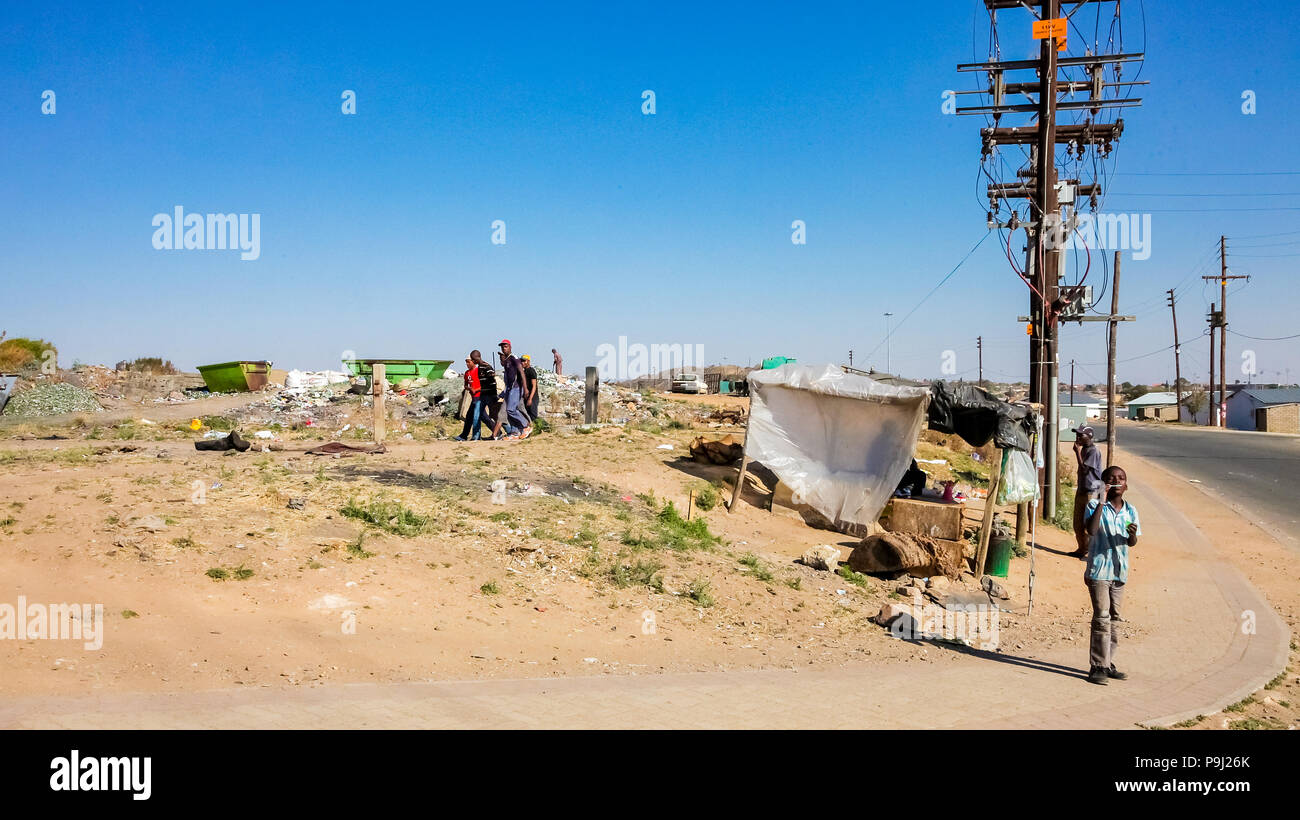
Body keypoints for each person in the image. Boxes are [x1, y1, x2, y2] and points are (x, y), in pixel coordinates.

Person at [1083, 464, 1141, 686]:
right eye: (1111, 478)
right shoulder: (1094, 505)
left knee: (1115, 619)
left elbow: (1131, 542)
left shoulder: (1131, 511)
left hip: (1119, 571)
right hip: (1099, 571)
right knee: (1101, 617)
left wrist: (1132, 536)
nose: (1117, 481)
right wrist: (1101, 499)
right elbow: (1092, 530)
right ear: (1104, 483)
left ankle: (1108, 662)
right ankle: (1097, 666)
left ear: (1126, 485)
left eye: (1121, 478)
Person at [1071, 425, 1103, 558]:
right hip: (1082, 490)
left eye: (1080, 435)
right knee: (1077, 523)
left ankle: (1091, 551)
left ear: (1089, 436)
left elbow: (1085, 470)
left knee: (1089, 523)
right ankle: (1082, 549)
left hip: (1092, 491)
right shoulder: (1084, 449)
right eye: (1077, 435)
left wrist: (1077, 452)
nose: (1077, 438)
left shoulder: (1093, 451)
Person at [497, 340, 532, 439]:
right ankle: (515, 432)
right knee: (509, 411)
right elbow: (504, 365)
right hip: (509, 388)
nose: (504, 348)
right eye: (502, 347)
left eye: (506, 346)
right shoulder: (507, 360)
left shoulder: (514, 358)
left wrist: (525, 389)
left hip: (516, 388)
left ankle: (525, 426)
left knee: (511, 410)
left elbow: (521, 372)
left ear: (510, 347)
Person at [522, 354, 539, 421]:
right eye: (521, 361)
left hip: (533, 397)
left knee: (533, 416)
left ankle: (541, 428)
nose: (522, 363)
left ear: (528, 361)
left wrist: (530, 399)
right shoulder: (524, 371)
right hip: (526, 396)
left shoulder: (531, 371)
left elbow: (534, 386)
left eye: (524, 361)